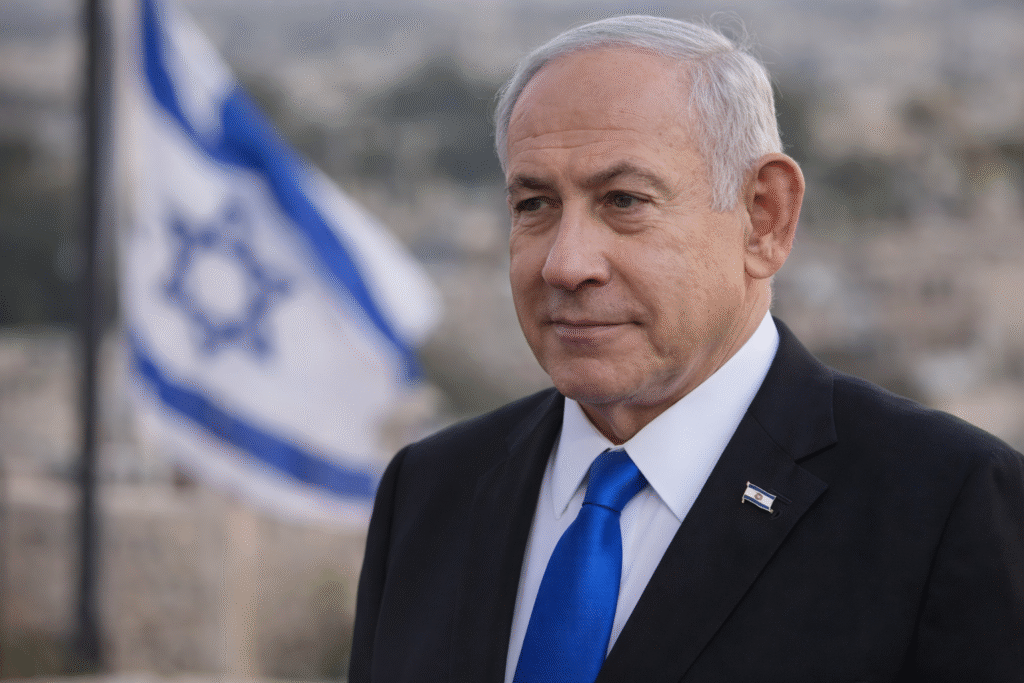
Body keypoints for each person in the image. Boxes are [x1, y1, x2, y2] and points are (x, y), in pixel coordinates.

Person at [349, 15, 1024, 682]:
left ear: (765, 217)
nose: (565, 262)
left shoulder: (945, 507)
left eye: (623, 200)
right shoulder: (430, 491)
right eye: (534, 204)